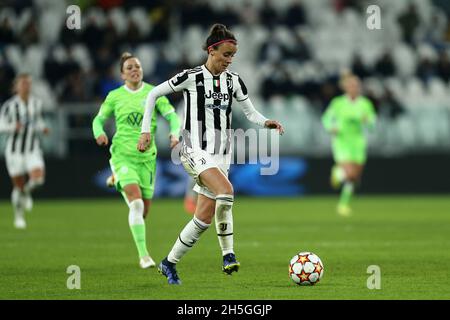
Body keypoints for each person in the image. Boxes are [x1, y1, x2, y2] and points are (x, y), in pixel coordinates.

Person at [137, 24, 284, 285]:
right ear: (211, 50)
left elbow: (250, 112)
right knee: (226, 191)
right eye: (225, 54)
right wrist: (145, 131)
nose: (229, 60)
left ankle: (168, 263)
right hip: (193, 149)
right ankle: (228, 254)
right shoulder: (191, 77)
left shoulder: (233, 80)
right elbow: (152, 94)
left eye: (232, 56)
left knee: (203, 217)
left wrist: (266, 123)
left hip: (221, 156)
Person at [92, 52, 181, 269]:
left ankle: (117, 179)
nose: (135, 70)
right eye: (130, 67)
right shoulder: (115, 96)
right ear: (122, 75)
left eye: (137, 66)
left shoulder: (154, 92)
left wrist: (175, 133)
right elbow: (99, 119)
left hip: (147, 159)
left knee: (143, 211)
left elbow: (172, 115)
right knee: (137, 202)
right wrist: (99, 133)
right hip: (122, 155)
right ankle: (144, 256)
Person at [321, 72, 377, 216]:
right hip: (342, 140)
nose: (354, 88)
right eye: (351, 85)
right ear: (345, 87)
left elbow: (372, 123)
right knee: (350, 172)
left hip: (358, 142)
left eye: (356, 85)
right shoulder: (338, 103)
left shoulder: (365, 104)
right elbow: (326, 118)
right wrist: (330, 127)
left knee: (354, 177)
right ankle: (338, 173)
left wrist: (368, 121)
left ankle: (343, 204)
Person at [0, 73, 49, 229]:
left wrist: (43, 128)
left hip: (32, 148)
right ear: (16, 87)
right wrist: (12, 127)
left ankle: (26, 193)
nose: (26, 86)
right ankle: (19, 216)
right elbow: (1, 126)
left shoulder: (36, 104)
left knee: (38, 180)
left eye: (28, 83)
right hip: (14, 152)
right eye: (22, 84)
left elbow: (38, 121)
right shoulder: (9, 106)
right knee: (18, 186)